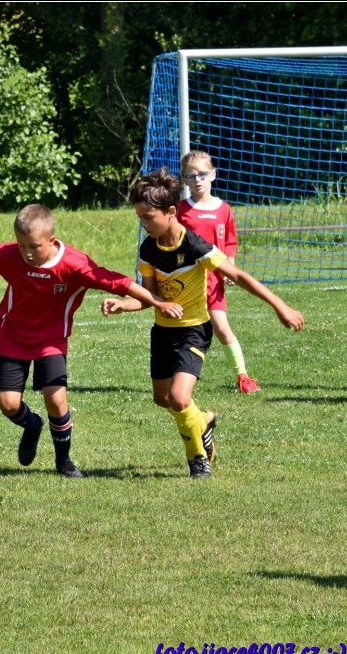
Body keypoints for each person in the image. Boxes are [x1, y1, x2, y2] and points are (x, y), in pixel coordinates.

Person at [0, 204, 183, 478]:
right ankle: (32, 425)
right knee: (8, 404)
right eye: (22, 245)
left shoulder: (74, 264)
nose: (27, 253)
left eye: (34, 246)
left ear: (52, 240)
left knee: (56, 399)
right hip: (13, 335)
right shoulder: (8, 255)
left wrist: (157, 302)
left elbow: (117, 282)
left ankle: (64, 461)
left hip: (52, 339)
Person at [102, 168, 304, 479]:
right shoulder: (148, 249)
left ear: (171, 212)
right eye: (140, 217)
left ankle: (198, 459)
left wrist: (280, 306)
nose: (143, 224)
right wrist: (125, 304)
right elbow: (149, 296)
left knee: (179, 398)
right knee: (162, 399)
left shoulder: (196, 247)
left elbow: (238, 276)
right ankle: (204, 420)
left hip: (193, 331)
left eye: (148, 217)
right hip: (162, 334)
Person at [178, 150, 260, 394]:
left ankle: (243, 376)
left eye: (203, 174)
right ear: (184, 180)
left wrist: (229, 266)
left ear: (213, 175)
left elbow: (230, 242)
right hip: (187, 280)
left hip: (213, 280)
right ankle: (180, 375)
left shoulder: (223, 209)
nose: (198, 180)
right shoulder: (181, 210)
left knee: (222, 328)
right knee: (183, 330)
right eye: (191, 176)